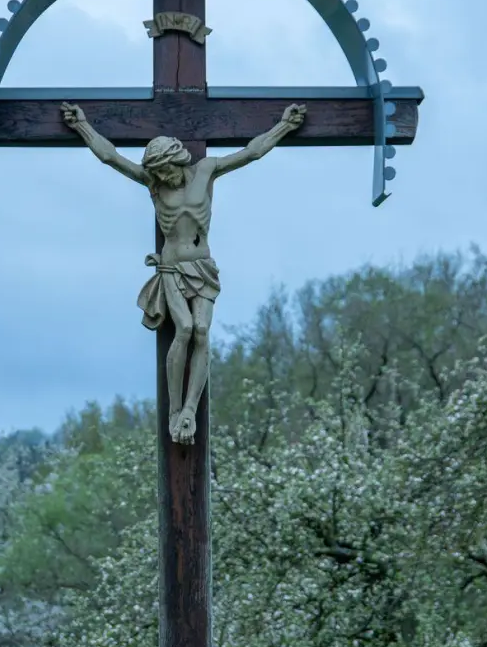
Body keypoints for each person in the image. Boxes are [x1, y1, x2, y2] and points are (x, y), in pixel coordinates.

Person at [61, 102, 306, 444]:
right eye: (158, 174)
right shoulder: (154, 184)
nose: (163, 178)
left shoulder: (206, 170)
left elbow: (251, 152)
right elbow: (110, 157)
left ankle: (190, 409)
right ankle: (174, 410)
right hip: (171, 268)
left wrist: (285, 126)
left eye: (166, 171)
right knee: (186, 328)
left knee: (202, 331)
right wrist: (82, 125)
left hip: (202, 267)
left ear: (177, 161)